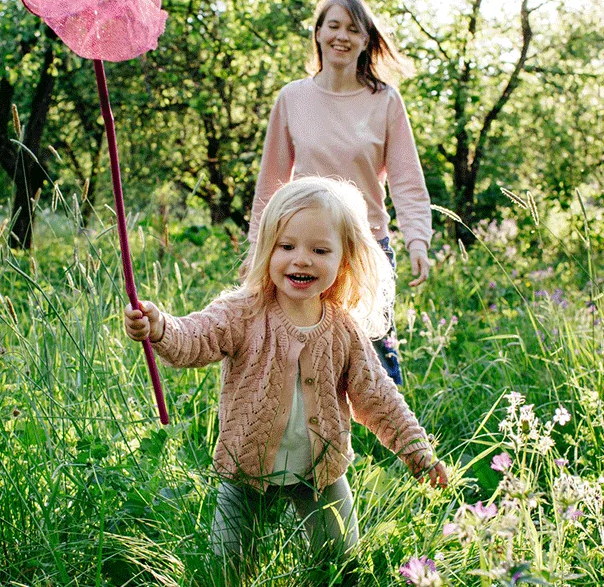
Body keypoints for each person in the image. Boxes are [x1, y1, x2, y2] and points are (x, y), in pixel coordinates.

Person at [124, 177, 448, 575]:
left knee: (341, 563)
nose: (302, 259)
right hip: (247, 471)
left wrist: (416, 450)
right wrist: (159, 328)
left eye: (320, 249)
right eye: (287, 246)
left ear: (343, 260)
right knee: (227, 569)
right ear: (267, 249)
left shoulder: (343, 330)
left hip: (321, 471)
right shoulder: (243, 313)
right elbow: (194, 339)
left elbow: (377, 395)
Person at [247, 0, 432, 385]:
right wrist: (256, 248)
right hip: (304, 249)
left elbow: (407, 179)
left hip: (366, 247)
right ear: (318, 33)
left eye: (353, 29)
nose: (342, 36)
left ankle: (387, 441)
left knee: (374, 359)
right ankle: (311, 439)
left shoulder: (384, 101)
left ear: (366, 40)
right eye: (333, 26)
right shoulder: (293, 97)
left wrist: (418, 239)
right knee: (305, 355)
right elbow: (271, 184)